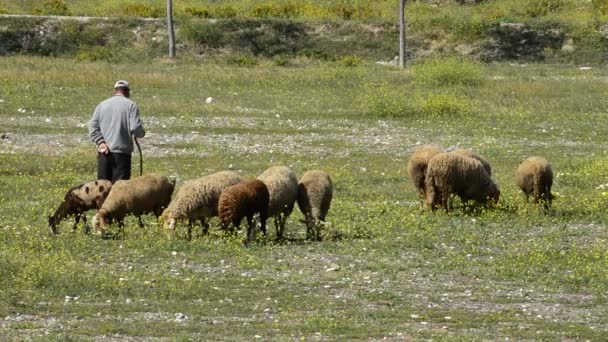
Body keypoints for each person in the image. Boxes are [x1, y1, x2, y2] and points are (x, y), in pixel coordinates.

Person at [88, 80, 145, 183]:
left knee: (102, 189)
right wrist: (141, 132)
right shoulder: (131, 105)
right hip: (122, 154)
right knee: (119, 191)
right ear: (127, 91)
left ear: (115, 90)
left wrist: (101, 142)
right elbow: (135, 127)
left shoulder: (102, 105)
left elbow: (92, 126)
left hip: (104, 153)